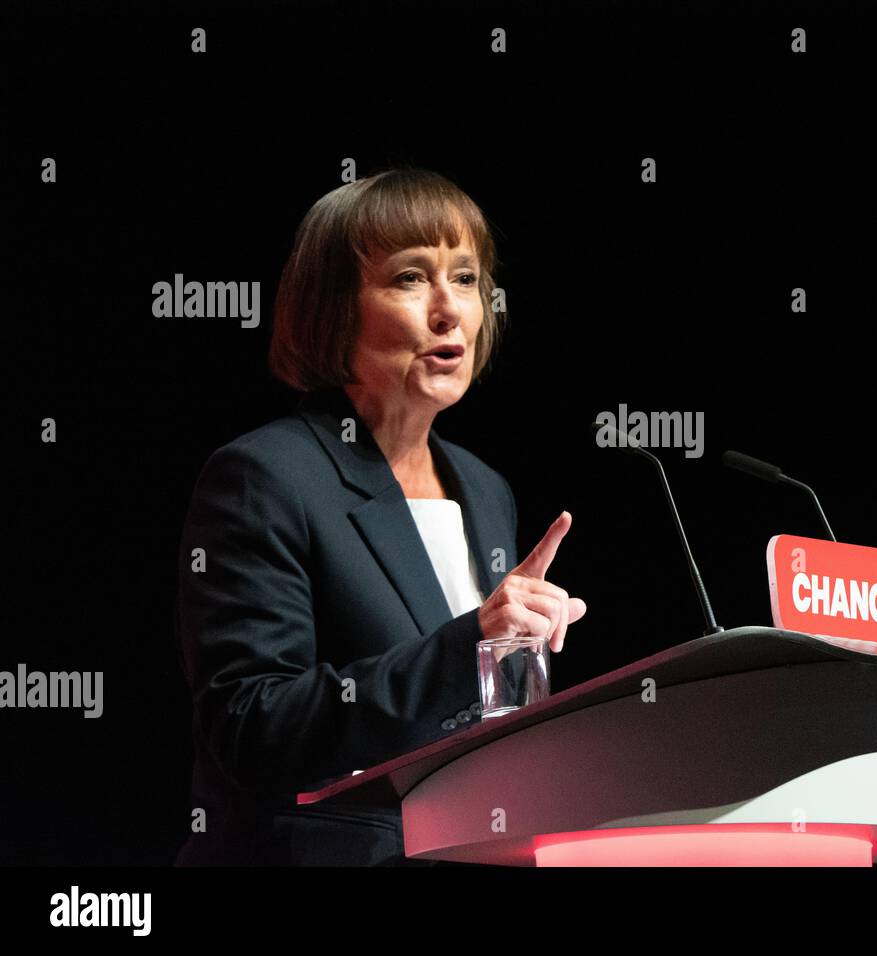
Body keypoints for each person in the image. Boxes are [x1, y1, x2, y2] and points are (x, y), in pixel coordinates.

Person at [174, 168, 586, 865]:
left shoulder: (485, 489)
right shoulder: (266, 478)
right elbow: (251, 728)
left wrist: (522, 679)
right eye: (409, 278)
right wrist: (468, 645)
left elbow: (472, 723)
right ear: (335, 308)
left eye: (465, 277)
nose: (450, 309)